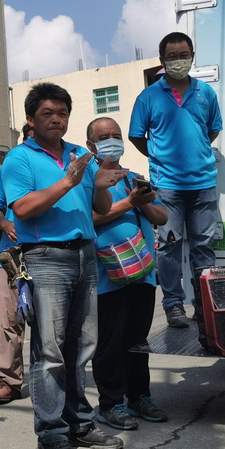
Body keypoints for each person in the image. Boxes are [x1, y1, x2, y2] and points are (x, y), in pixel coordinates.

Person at [1, 82, 127, 449]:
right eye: (47, 113)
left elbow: (99, 206)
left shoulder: (79, 155)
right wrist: (69, 181)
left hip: (85, 255)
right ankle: (51, 435)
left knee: (81, 346)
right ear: (30, 119)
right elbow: (22, 208)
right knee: (50, 352)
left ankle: (80, 424)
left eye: (62, 113)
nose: (56, 119)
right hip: (46, 258)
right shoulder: (19, 158)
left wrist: (100, 183)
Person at [129, 32, 223, 328]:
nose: (179, 61)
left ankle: (205, 306)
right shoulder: (148, 97)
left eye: (184, 55)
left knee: (203, 247)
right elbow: (136, 136)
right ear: (162, 60)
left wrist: (196, 153)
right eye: (172, 57)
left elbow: (212, 129)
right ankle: (173, 305)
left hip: (203, 184)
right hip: (167, 186)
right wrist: (161, 157)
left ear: (192, 56)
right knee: (169, 245)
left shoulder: (206, 93)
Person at [86, 117, 169, 431]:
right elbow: (89, 218)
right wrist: (129, 202)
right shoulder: (88, 180)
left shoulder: (134, 177)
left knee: (137, 341)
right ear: (91, 145)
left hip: (142, 272)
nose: (112, 140)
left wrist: (142, 202)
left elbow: (162, 215)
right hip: (106, 275)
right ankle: (111, 403)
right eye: (104, 136)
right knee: (110, 343)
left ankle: (139, 397)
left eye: (116, 135)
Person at [0, 123, 31, 405]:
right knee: (10, 321)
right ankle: (8, 381)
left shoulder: (59, 168)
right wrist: (3, 222)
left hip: (50, 255)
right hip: (11, 259)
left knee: (52, 323)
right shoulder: (10, 168)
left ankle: (53, 379)